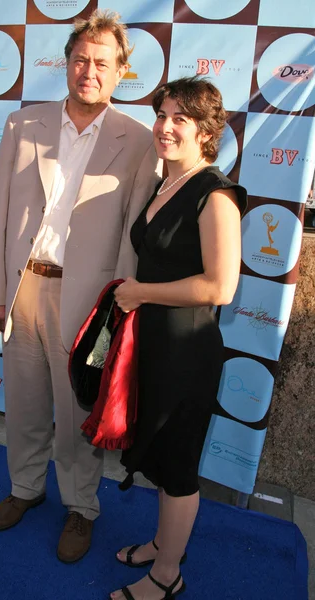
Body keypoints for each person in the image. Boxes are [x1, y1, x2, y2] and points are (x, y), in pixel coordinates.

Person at [0, 9, 160, 564]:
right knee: (24, 401)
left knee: (78, 411)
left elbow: (133, 231)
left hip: (88, 299)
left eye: (102, 63)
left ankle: (81, 506)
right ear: (66, 63)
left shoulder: (139, 140)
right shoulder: (22, 123)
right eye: (81, 59)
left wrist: (119, 309)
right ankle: (26, 489)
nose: (90, 71)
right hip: (24, 287)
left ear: (121, 71)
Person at [111, 77, 247, 599]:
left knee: (179, 466)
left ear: (206, 130)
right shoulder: (164, 182)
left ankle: (167, 576)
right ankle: (163, 545)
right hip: (154, 343)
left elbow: (221, 286)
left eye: (180, 119)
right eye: (162, 115)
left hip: (186, 352)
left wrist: (141, 291)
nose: (165, 127)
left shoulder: (215, 194)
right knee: (163, 456)